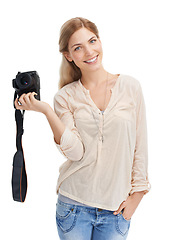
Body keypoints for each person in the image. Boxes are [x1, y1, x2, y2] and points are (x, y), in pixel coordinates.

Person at [15, 17, 151, 240]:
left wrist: (137, 196)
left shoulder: (130, 87)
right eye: (78, 48)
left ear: (100, 41)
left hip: (116, 210)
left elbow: (140, 146)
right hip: (73, 208)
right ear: (68, 56)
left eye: (92, 41)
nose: (89, 52)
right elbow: (76, 152)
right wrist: (48, 111)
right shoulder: (65, 97)